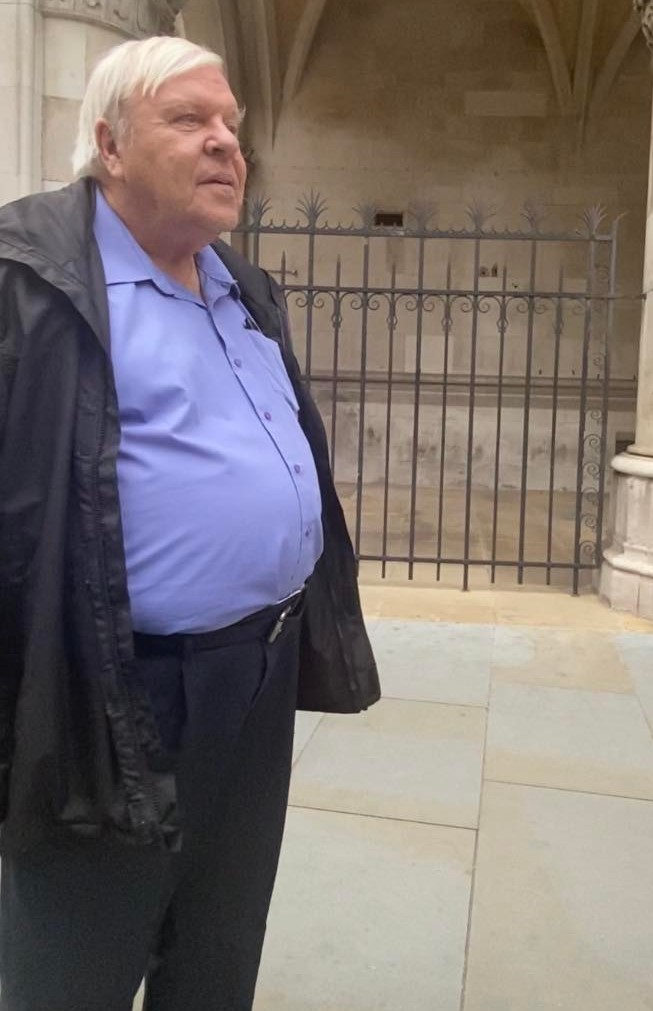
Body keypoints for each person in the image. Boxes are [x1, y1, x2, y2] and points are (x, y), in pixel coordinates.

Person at [0, 34, 379, 1011]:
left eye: (232, 126)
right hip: (108, 688)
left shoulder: (243, 288)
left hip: (255, 674)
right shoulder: (26, 279)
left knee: (218, 944)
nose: (225, 145)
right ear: (110, 145)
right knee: (74, 960)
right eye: (190, 120)